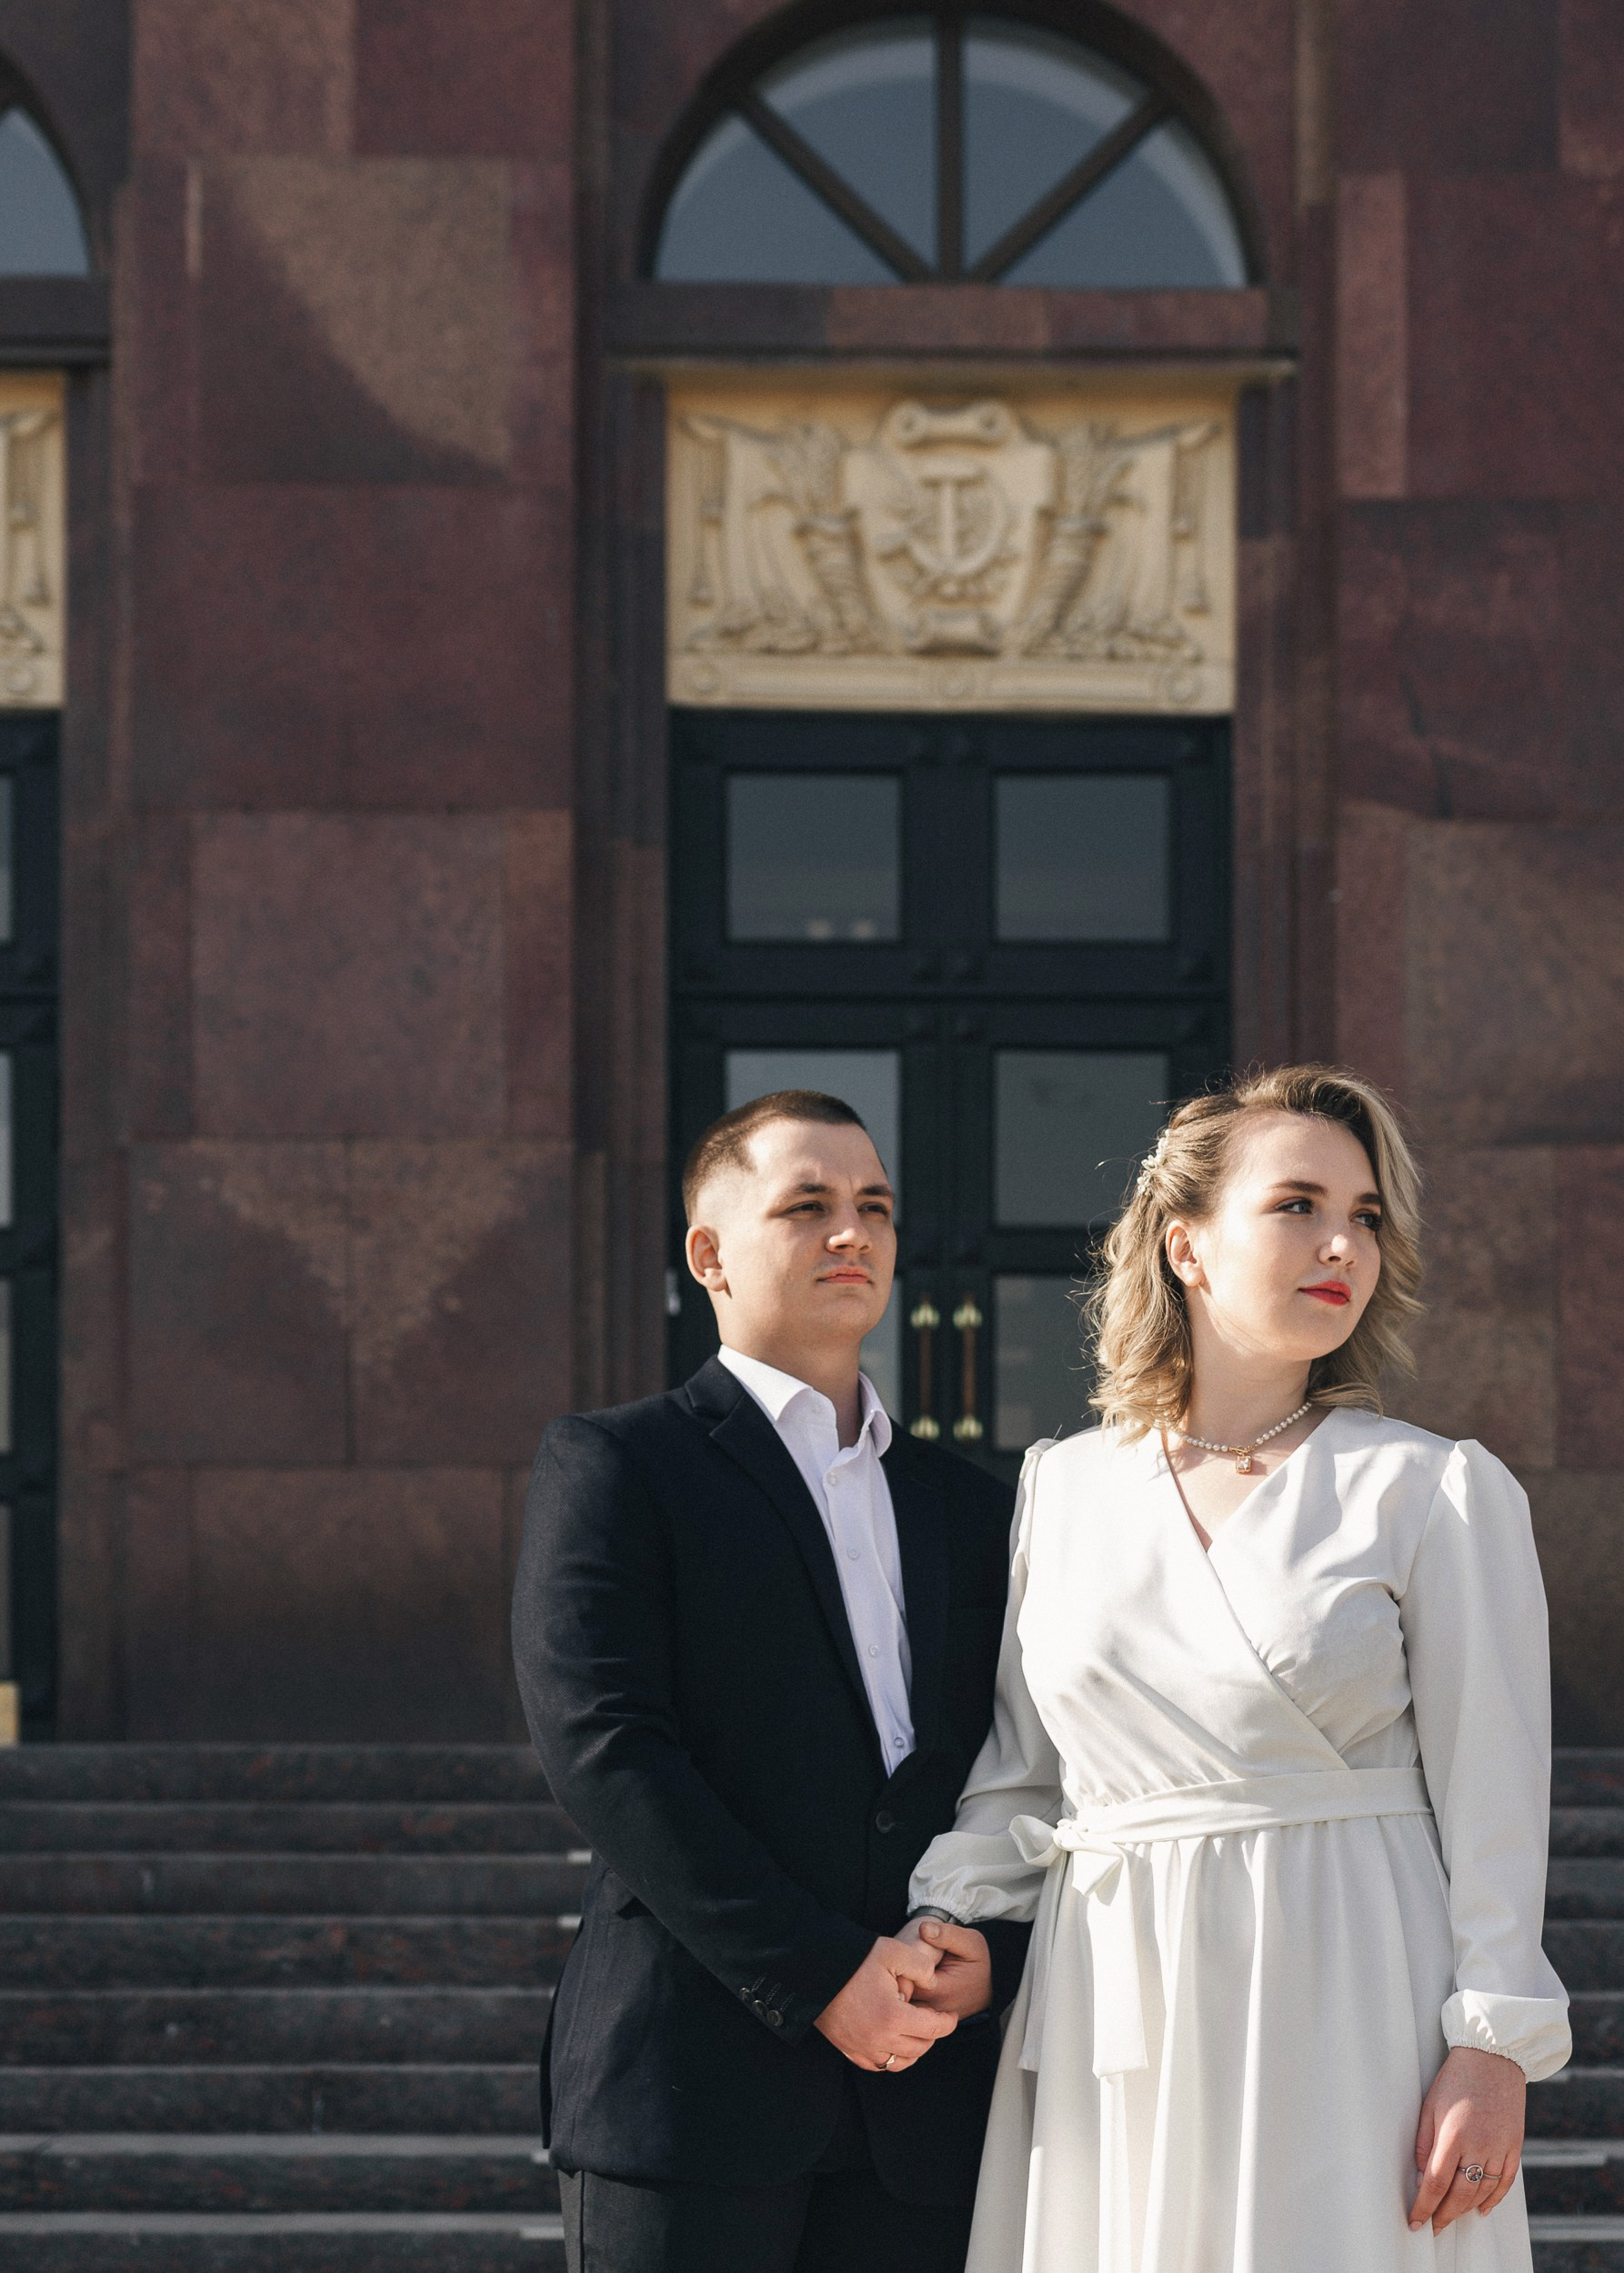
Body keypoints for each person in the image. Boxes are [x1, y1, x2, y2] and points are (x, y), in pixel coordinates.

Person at [903, 1063, 1569, 2273]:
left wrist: (1492, 2046)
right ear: (1185, 1245)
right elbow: (1025, 1776)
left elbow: (1496, 1800)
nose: (1342, 1245)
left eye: (1365, 1216)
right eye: (1297, 1205)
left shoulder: (1430, 1489)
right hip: (1111, 1997)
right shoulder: (1065, 1486)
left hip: (1349, 1987)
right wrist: (955, 1917)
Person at [512, 1089, 1028, 2273]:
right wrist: (820, 1973)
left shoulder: (970, 1505)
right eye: (807, 1206)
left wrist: (994, 1957)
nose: (853, 1232)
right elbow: (606, 1748)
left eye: (875, 1207)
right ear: (709, 1255)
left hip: (923, 2104)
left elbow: (1017, 1757)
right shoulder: (618, 1465)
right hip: (691, 2085)